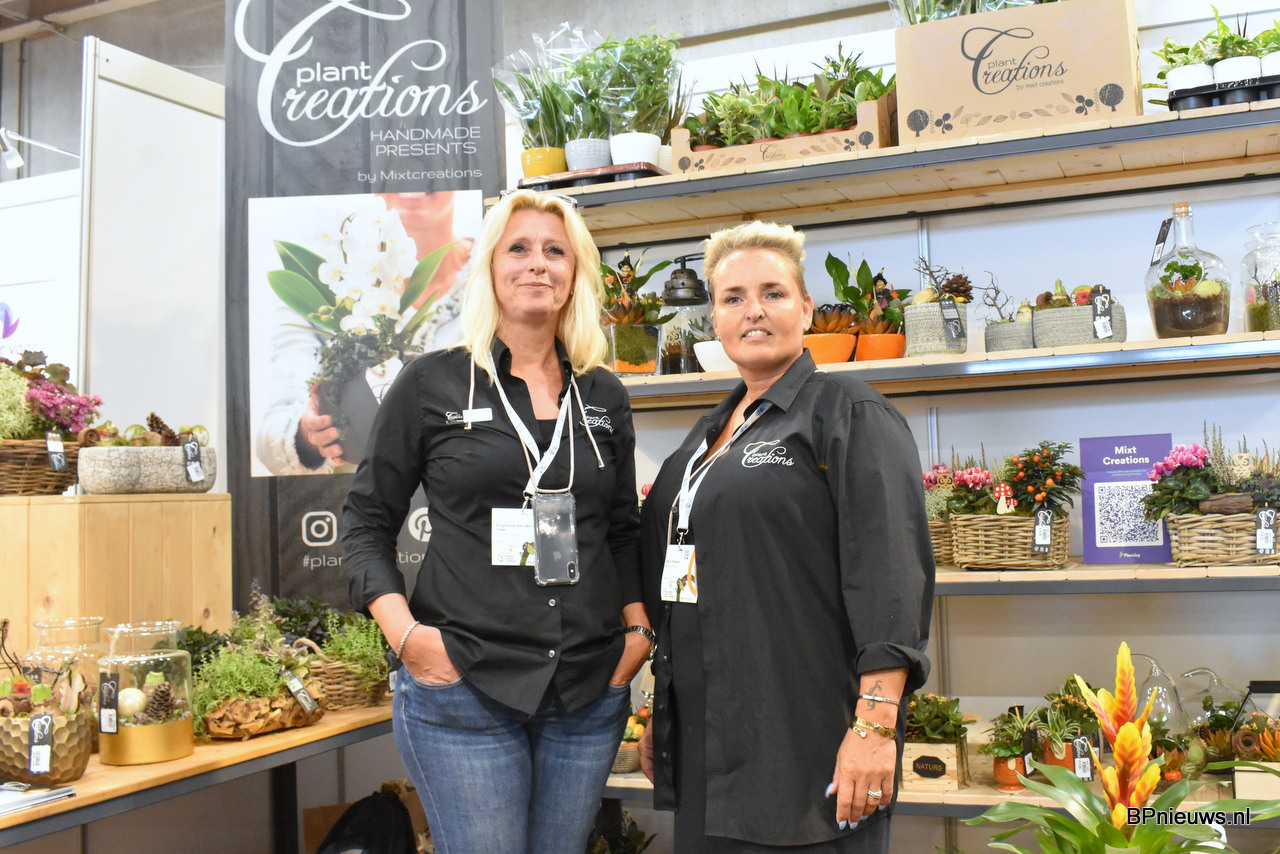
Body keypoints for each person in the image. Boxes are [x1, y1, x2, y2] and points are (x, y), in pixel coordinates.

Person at [343, 188, 653, 854]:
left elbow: (622, 529)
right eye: (519, 249)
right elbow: (366, 520)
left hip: (586, 689)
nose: (537, 263)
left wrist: (637, 635)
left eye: (555, 251)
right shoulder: (432, 383)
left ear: (575, 272)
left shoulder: (602, 392)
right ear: (489, 266)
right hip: (464, 687)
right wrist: (408, 637)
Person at [638, 221, 935, 853]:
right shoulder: (705, 435)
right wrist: (663, 711)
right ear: (715, 320)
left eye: (772, 293)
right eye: (733, 297)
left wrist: (875, 728)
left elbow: (890, 577)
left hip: (806, 746)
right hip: (708, 749)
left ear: (805, 308)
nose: (753, 311)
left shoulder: (847, 411)